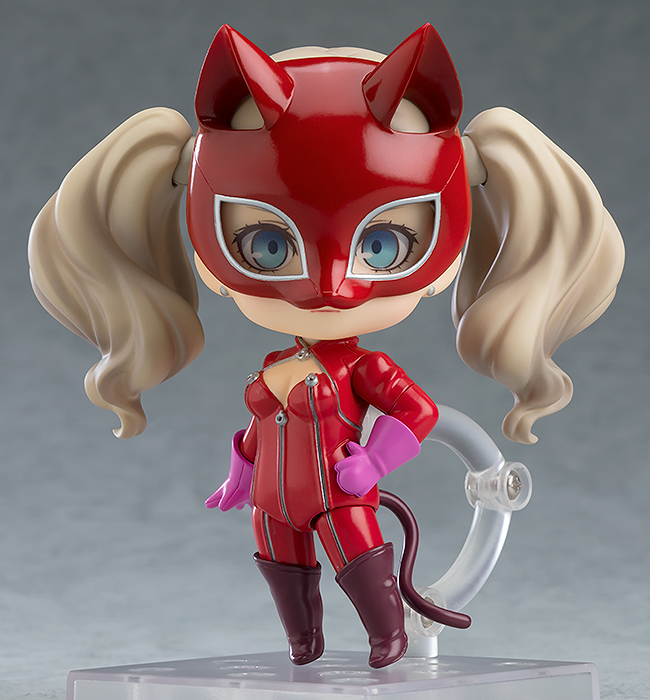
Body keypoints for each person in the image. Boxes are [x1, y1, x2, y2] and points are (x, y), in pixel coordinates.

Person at [28, 24, 624, 668]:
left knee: (360, 567)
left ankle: (388, 638)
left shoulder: (364, 366)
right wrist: (239, 474)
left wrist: (374, 463)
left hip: (340, 496)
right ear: (209, 252)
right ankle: (304, 646)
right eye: (267, 246)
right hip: (272, 505)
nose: (332, 288)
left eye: (383, 246)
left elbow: (418, 412)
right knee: (283, 571)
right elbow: (258, 435)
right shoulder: (275, 366)